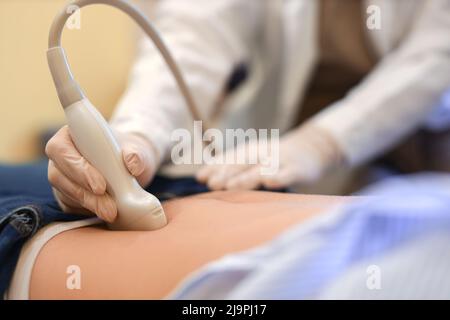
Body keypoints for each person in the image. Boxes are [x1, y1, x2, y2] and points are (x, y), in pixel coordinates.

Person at [45, 0, 450, 221]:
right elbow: (194, 37)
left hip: (417, 166)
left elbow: (435, 58)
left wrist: (324, 142)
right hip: (264, 171)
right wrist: (137, 135)